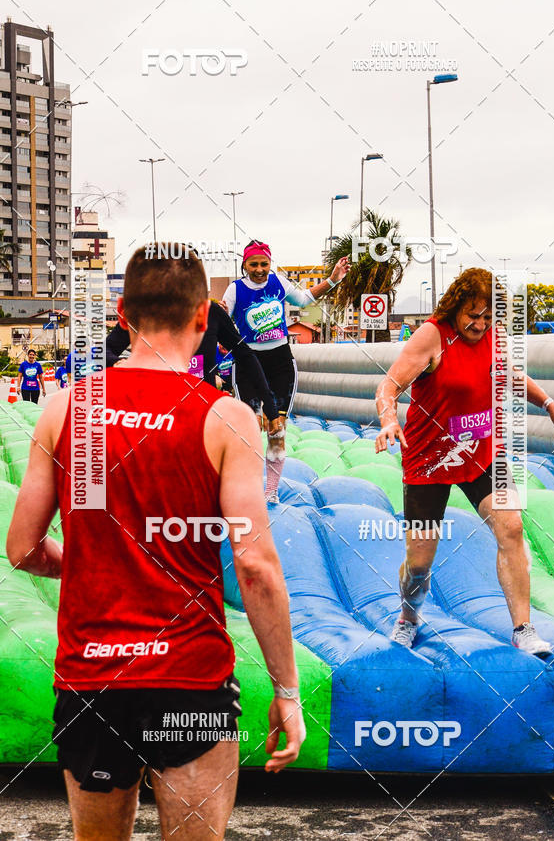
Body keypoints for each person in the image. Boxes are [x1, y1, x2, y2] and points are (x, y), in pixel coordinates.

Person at [6, 246, 305, 840]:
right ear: (203, 316)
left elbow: (22, 549)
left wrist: (92, 565)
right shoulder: (225, 417)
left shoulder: (71, 408)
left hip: (93, 676)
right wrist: (287, 691)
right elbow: (256, 567)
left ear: (122, 313)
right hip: (187, 678)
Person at [375, 268, 554, 656]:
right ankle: (407, 618)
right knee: (419, 564)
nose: (480, 324)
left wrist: (551, 405)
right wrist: (388, 420)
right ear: (455, 307)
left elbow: (509, 375)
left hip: (481, 451)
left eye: (488, 316)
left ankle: (523, 628)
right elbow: (388, 385)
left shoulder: (493, 336)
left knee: (512, 527)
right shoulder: (432, 335)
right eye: (473, 315)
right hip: (430, 457)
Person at [223, 241, 350, 504]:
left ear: (270, 263)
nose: (259, 269)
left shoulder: (279, 282)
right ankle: (243, 486)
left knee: (277, 429)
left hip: (280, 363)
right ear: (244, 265)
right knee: (250, 426)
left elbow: (305, 299)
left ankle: (271, 492)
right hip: (248, 363)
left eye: (264, 264)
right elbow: (222, 319)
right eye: (253, 264)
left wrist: (333, 279)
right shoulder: (235, 289)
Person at [104, 299, 279, 423]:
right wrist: (118, 362)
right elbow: (103, 351)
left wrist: (270, 406)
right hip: (156, 415)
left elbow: (245, 355)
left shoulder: (211, 312)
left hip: (202, 415)